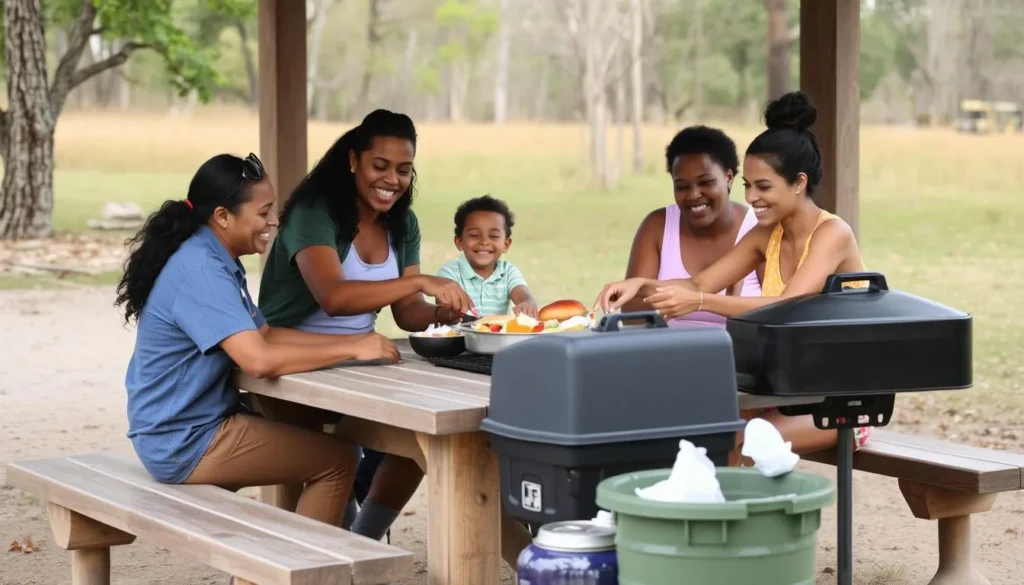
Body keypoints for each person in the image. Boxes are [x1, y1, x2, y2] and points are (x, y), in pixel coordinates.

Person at [116, 153, 400, 526]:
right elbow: (259, 361)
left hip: (182, 428)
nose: (274, 221)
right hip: (183, 440)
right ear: (222, 217)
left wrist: (362, 342)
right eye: (263, 211)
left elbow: (265, 335)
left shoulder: (210, 255)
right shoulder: (202, 270)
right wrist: (350, 347)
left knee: (312, 443)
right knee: (337, 462)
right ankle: (300, 573)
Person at [594, 91, 871, 458]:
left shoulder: (832, 234)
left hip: (843, 402)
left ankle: (718, 515)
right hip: (787, 392)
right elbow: (698, 283)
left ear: (799, 183)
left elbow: (788, 307)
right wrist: (640, 285)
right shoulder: (765, 234)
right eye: (748, 187)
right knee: (689, 426)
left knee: (733, 440)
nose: (752, 197)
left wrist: (703, 302)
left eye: (764, 187)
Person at [257, 109, 472, 541]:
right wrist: (419, 280)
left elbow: (407, 311)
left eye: (404, 170)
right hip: (295, 362)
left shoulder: (402, 222)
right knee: (334, 457)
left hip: (366, 359)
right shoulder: (314, 212)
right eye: (380, 166)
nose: (391, 179)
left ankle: (363, 538)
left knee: (422, 437)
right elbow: (333, 298)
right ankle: (338, 543)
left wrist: (440, 314)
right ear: (353, 160)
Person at [620, 125, 761, 326]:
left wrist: (695, 302)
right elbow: (632, 315)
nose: (694, 195)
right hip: (669, 353)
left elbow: (777, 313)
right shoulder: (658, 226)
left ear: (728, 178)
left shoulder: (759, 229)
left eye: (706, 182)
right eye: (682, 187)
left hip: (739, 355)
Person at [436, 195, 539, 317]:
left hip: (497, 336)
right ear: (459, 242)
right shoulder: (449, 273)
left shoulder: (508, 272)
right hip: (458, 336)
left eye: (494, 236)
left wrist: (527, 304)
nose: (484, 242)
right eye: (474, 235)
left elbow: (524, 296)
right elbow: (443, 310)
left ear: (506, 244)